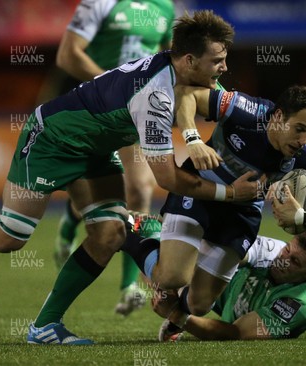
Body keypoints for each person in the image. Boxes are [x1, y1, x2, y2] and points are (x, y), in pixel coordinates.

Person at [0, 10, 258, 345]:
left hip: (94, 149)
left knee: (110, 233)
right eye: (218, 60)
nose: (224, 67)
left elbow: (233, 110)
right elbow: (168, 180)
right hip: (53, 140)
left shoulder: (189, 76)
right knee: (6, 238)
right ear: (190, 60)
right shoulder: (155, 96)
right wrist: (230, 193)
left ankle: (45, 325)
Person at [121, 84, 306, 325]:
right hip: (202, 190)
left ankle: (172, 292)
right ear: (277, 117)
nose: (303, 140)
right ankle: (131, 231)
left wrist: (304, 216)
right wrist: (193, 139)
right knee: (171, 277)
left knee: (199, 305)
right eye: (299, 129)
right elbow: (188, 95)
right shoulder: (248, 111)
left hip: (242, 212)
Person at [51, 0, 177, 317]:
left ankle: (128, 286)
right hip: (93, 108)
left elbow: (172, 60)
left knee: (139, 189)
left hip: (135, 112)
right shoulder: (99, 3)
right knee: (96, 181)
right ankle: (70, 222)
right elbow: (68, 55)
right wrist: (111, 86)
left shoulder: (165, 7)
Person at [152, 227, 306, 341]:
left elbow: (236, 332)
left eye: (295, 261)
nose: (283, 259)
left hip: (230, 310)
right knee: (168, 264)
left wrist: (177, 316)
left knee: (168, 280)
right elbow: (222, 249)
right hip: (222, 289)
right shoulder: (272, 250)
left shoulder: (298, 304)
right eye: (287, 249)